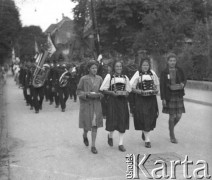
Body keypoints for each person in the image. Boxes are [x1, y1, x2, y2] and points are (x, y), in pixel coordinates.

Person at [100, 60, 131, 152]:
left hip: (122, 102)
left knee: (122, 120)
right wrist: (112, 93)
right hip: (113, 101)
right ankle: (110, 136)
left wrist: (126, 94)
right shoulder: (109, 76)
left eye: (120, 66)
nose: (119, 68)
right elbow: (103, 90)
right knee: (113, 120)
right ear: (114, 67)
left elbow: (128, 90)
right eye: (117, 66)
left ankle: (121, 143)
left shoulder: (125, 77)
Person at [130, 58, 159, 148]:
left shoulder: (152, 73)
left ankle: (145, 131)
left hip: (151, 99)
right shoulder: (137, 74)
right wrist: (140, 92)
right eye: (143, 65)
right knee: (143, 116)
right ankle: (147, 140)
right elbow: (131, 87)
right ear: (141, 66)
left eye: (147, 65)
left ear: (149, 66)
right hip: (141, 99)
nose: (145, 67)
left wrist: (155, 91)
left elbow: (157, 85)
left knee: (150, 116)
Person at [77, 60, 103, 154]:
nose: (94, 70)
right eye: (92, 68)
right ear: (88, 69)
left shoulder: (100, 79)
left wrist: (100, 95)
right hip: (87, 105)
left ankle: (93, 146)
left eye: (96, 68)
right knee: (87, 126)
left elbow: (103, 91)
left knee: (94, 125)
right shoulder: (83, 79)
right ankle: (84, 135)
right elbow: (78, 91)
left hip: (96, 104)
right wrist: (87, 94)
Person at [160, 53, 186, 144]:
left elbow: (184, 80)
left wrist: (183, 84)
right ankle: (172, 136)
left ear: (176, 61)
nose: (172, 62)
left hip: (178, 95)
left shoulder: (180, 70)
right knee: (172, 116)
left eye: (174, 60)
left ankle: (171, 128)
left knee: (178, 116)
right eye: (170, 60)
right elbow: (162, 86)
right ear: (167, 61)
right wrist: (163, 98)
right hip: (169, 96)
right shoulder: (164, 72)